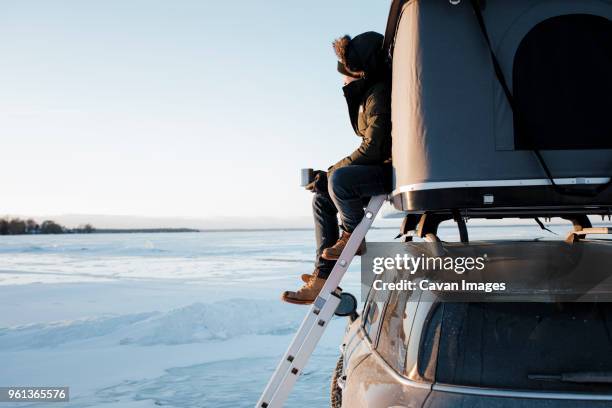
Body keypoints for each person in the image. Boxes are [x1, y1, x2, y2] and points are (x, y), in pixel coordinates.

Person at [282, 31, 392, 305]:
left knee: (340, 180)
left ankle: (353, 236)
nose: (342, 78)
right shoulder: (369, 95)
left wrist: (331, 174)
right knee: (323, 198)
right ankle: (321, 278)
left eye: (346, 72)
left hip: (393, 169)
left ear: (360, 71)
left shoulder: (379, 95)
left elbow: (374, 148)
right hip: (381, 167)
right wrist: (327, 176)